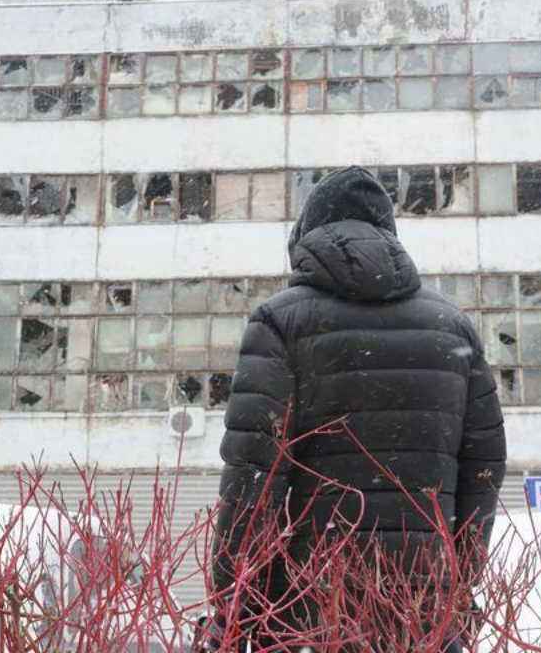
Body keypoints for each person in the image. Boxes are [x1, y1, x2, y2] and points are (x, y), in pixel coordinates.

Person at [205, 166, 507, 652]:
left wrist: (235, 599)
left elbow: (254, 475)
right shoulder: (452, 327)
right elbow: (484, 467)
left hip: (314, 601)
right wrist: (457, 579)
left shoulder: (281, 321)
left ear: (306, 236)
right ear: (390, 236)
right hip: (423, 607)